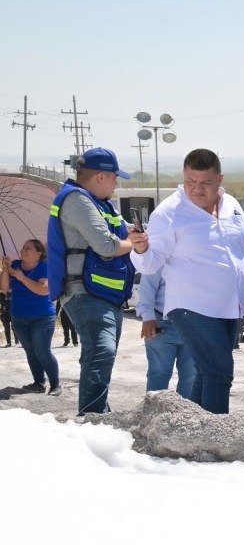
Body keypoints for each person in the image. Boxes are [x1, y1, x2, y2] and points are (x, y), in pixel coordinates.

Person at [129, 148, 244, 415]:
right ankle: (215, 440)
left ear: (220, 179)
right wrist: (141, 249)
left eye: (205, 183)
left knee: (204, 372)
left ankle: (193, 434)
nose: (197, 190)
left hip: (228, 308)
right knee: (220, 372)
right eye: (190, 182)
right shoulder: (168, 213)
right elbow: (152, 263)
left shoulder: (232, 205)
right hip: (192, 307)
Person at [47, 147, 136, 414]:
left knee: (99, 356)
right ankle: (92, 419)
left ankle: (98, 416)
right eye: (114, 177)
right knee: (102, 352)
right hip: (85, 292)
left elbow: (125, 235)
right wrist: (131, 243)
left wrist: (132, 239)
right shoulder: (77, 200)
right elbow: (106, 246)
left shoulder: (101, 204)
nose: (116, 183)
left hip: (106, 294)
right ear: (101, 176)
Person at [1, 240, 60, 395]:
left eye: (28, 248)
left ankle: (55, 384)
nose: (23, 250)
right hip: (19, 316)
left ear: (39, 253)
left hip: (42, 317)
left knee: (42, 350)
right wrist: (5, 269)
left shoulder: (44, 266)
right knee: (30, 351)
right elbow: (5, 288)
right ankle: (38, 382)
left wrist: (22, 278)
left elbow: (43, 290)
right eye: (23, 247)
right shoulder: (16, 265)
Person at [137, 266, 196, 397]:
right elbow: (147, 288)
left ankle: (185, 416)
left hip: (194, 325)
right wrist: (148, 318)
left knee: (191, 376)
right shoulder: (159, 258)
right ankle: (154, 415)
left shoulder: (201, 256)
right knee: (159, 374)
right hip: (162, 324)